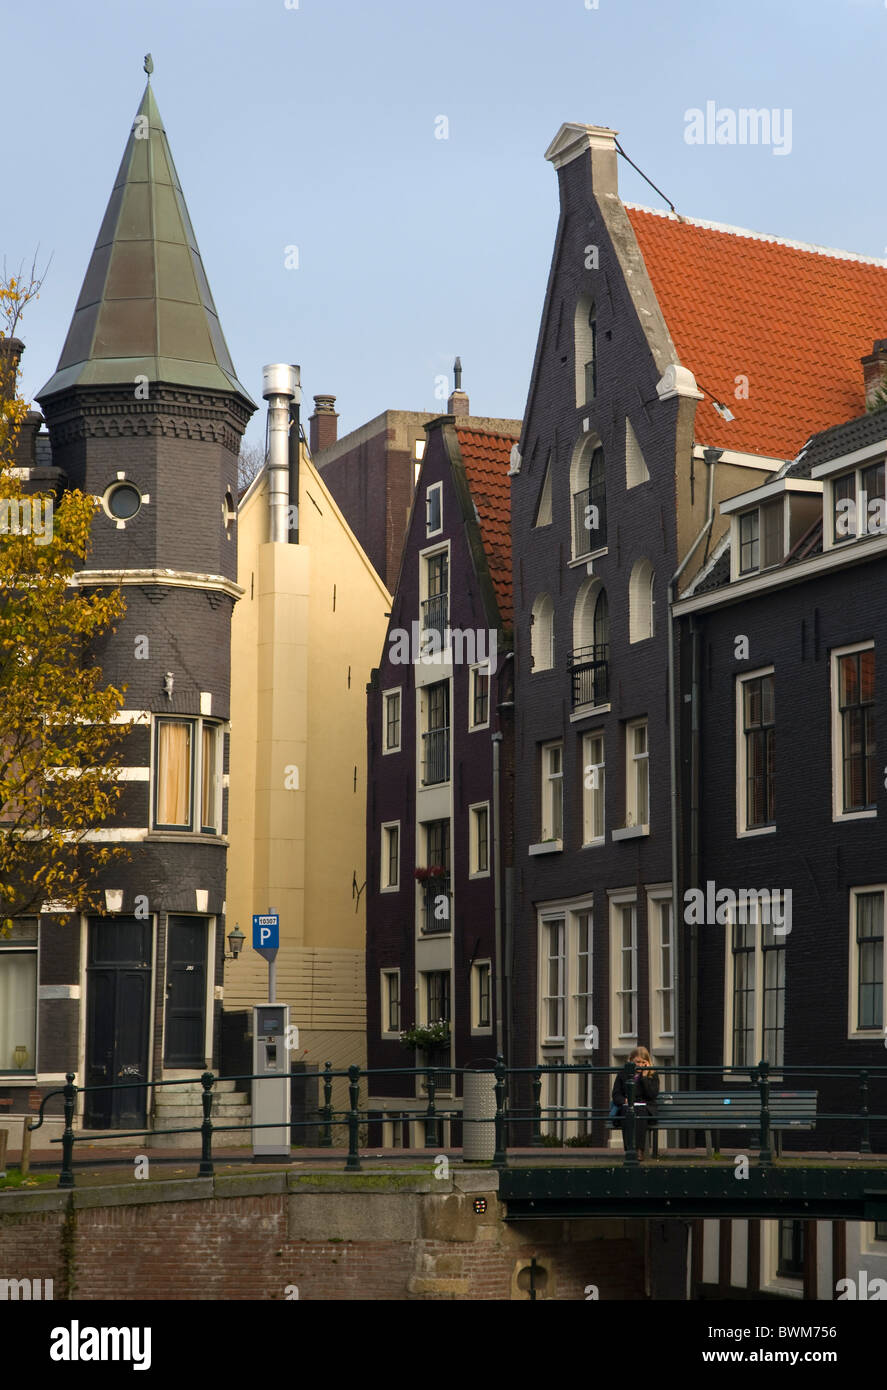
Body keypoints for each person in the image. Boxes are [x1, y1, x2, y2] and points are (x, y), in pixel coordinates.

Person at [612, 1047, 659, 1159]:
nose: (640, 1065)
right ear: (631, 1061)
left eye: (643, 1062)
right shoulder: (622, 1074)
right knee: (627, 1111)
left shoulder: (652, 1075)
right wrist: (625, 1101)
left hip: (646, 1106)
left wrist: (644, 1077)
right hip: (628, 1105)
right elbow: (616, 1094)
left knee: (640, 1112)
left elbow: (652, 1095)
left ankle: (639, 1151)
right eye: (638, 1062)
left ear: (648, 1063)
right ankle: (629, 1149)